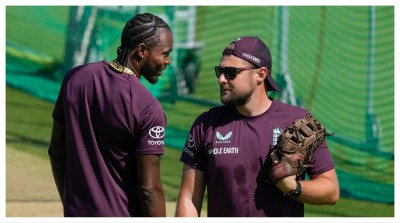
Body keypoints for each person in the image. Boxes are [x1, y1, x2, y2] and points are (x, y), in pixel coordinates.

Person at [175, 36, 339, 217]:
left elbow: (331, 190)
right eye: (219, 71)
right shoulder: (206, 125)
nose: (221, 79)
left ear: (260, 75)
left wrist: (293, 187)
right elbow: (188, 198)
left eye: (230, 72)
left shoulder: (298, 122)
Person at [48, 13, 173, 217]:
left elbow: (56, 151)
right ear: (141, 51)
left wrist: (71, 206)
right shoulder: (149, 109)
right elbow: (149, 190)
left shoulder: (74, 78)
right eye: (165, 53)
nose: (168, 62)